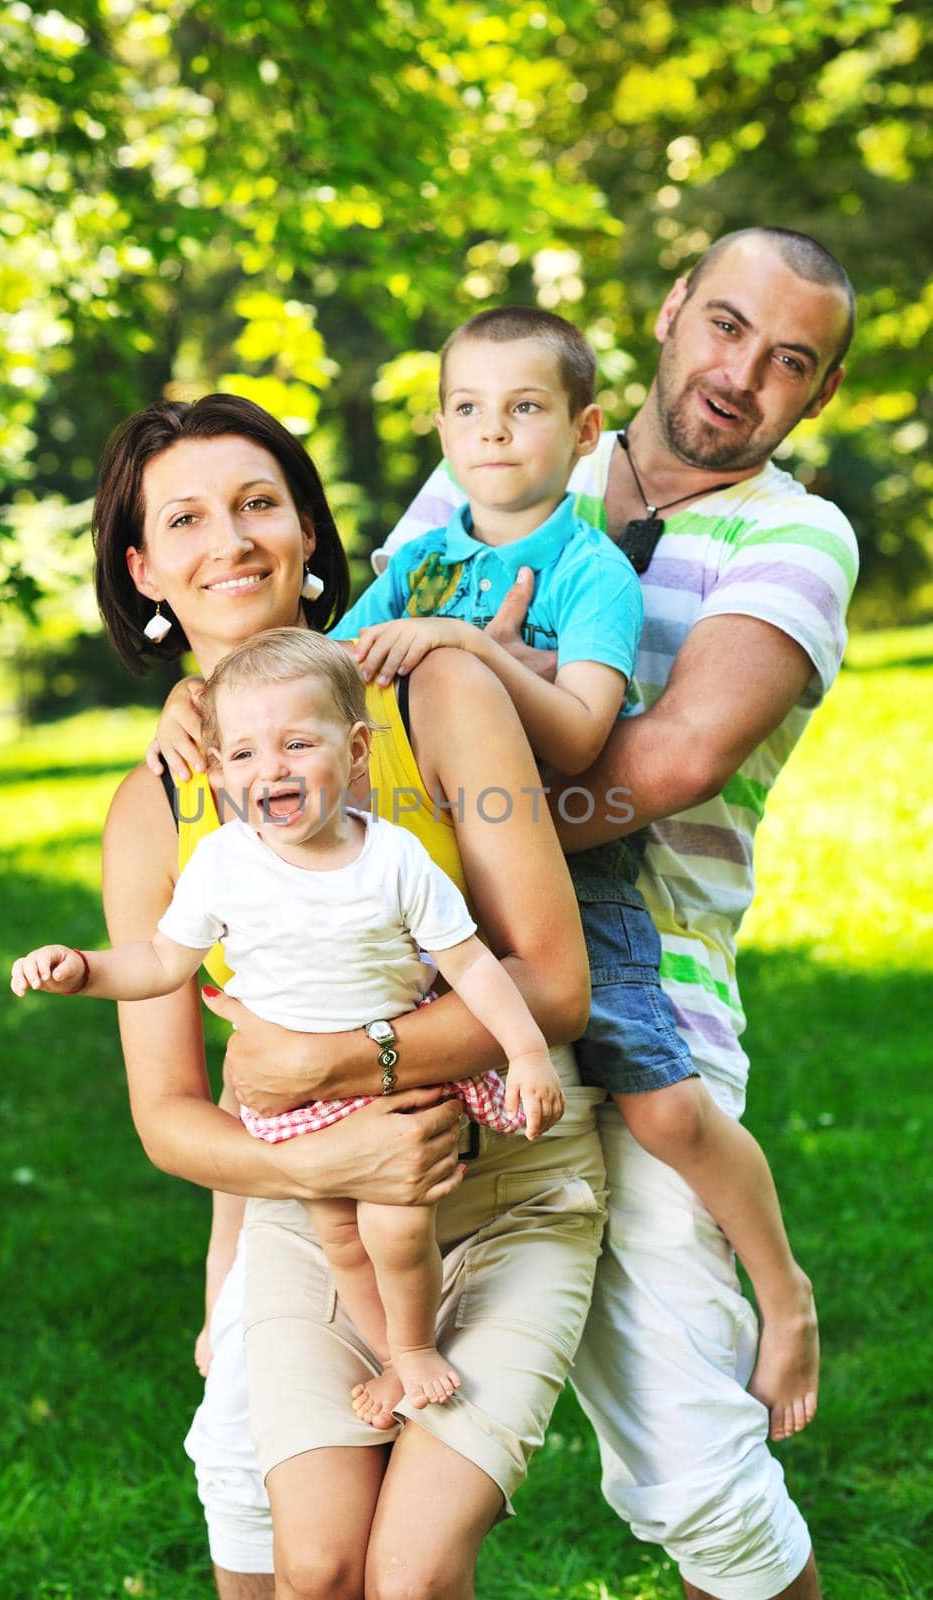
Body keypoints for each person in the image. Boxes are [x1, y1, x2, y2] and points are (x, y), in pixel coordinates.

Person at [158, 227, 856, 1600]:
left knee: (692, 1476)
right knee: (262, 1462)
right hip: (409, 962)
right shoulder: (504, 446)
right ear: (670, 313)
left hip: (629, 978)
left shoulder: (790, 534)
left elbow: (664, 764)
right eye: (722, 326)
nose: (737, 374)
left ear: (816, 394)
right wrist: (216, 696)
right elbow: (351, 677)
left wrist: (474, 734)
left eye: (785, 362)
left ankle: (783, 1304)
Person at [89, 391, 607, 1600]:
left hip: (509, 1187)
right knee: (313, 1568)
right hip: (306, 1216)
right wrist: (332, 1162)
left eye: (258, 503)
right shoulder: (150, 810)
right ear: (145, 568)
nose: (230, 540)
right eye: (187, 519)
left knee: (410, 1577)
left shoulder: (432, 694)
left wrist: (332, 1067)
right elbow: (168, 1115)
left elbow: (553, 983)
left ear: (310, 533)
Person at [336, 303, 818, 1442]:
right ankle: (379, 1345)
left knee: (657, 1103)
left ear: (585, 429)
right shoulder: (421, 558)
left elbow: (580, 732)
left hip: (578, 884)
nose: (491, 432)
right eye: (466, 409)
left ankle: (781, 1288)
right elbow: (332, 670)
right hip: (433, 880)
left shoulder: (589, 568)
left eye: (523, 410)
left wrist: (458, 647)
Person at [13, 628, 567, 1422]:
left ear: (355, 753)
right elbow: (164, 962)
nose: (268, 768)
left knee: (393, 1226)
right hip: (290, 1103)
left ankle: (412, 1350)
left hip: (395, 1073)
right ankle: (389, 1362)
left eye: (296, 744)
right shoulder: (223, 864)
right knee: (340, 1237)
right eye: (241, 755)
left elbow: (472, 965)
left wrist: (523, 1053)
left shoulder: (394, 858)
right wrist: (85, 969)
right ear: (220, 771)